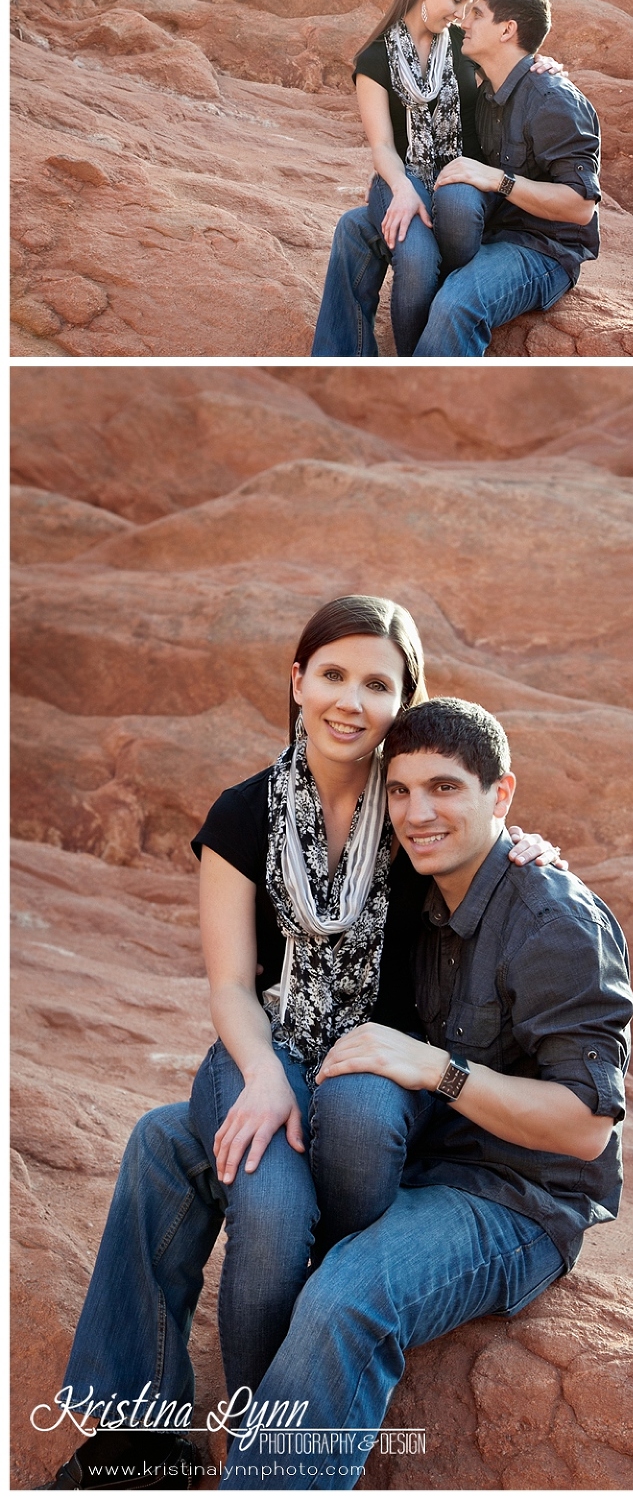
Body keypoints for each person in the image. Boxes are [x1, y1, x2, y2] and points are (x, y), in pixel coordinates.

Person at [44, 600, 562, 1490]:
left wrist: (523, 851)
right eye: (332, 675)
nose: (351, 701)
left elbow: (480, 833)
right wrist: (263, 1080)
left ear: (405, 701)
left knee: (185, 1145)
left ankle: (265, 1452)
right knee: (266, 1207)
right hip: (265, 1042)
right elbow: (230, 986)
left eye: (377, 684)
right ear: (297, 680)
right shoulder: (245, 813)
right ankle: (146, 1438)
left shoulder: (411, 817)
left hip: (379, 1070)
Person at [215, 697, 633, 1490]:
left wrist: (434, 1068)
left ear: (500, 795)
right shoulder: (419, 888)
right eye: (400, 792)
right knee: (187, 1140)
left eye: (445, 789)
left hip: (518, 1198)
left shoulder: (551, 921)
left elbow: (586, 1128)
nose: (417, 813)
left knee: (345, 1297)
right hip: (422, 1163)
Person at [313, 0, 600, 360]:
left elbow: (581, 207)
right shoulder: (482, 85)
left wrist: (498, 180)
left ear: (507, 30)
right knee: (356, 227)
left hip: (541, 248)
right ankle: (340, 364)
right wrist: (394, 186)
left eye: (477, 14)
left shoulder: (552, 100)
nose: (465, 21)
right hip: (483, 227)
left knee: (455, 302)